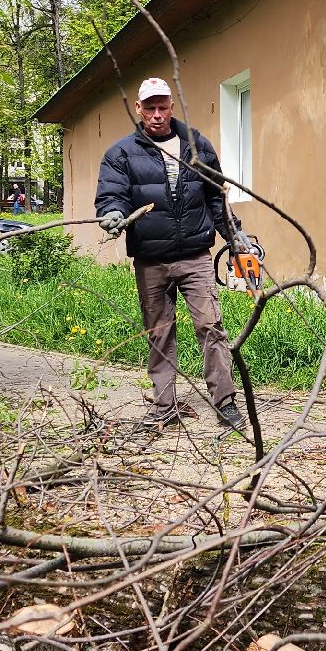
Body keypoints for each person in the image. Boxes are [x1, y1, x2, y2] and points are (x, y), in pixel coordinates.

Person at [94, 77, 249, 433]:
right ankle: (165, 406)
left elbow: (215, 197)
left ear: (172, 106)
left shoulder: (197, 145)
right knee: (159, 332)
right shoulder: (121, 153)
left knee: (211, 327)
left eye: (163, 106)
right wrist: (113, 213)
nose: (157, 114)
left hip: (195, 254)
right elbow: (111, 195)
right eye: (150, 107)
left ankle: (225, 402)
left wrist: (234, 235)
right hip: (150, 258)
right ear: (139, 109)